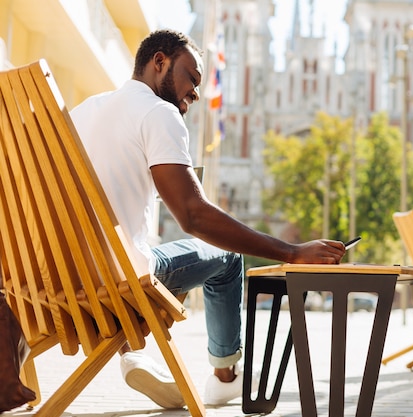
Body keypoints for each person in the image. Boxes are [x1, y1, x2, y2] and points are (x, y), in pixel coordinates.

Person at [70, 29, 346, 409]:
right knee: (225, 256)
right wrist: (291, 252)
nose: (195, 93)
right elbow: (193, 216)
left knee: (160, 255)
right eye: (191, 78)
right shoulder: (158, 112)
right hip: (115, 280)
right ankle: (224, 375)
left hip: (55, 278)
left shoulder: (84, 110)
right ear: (160, 62)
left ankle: (134, 348)